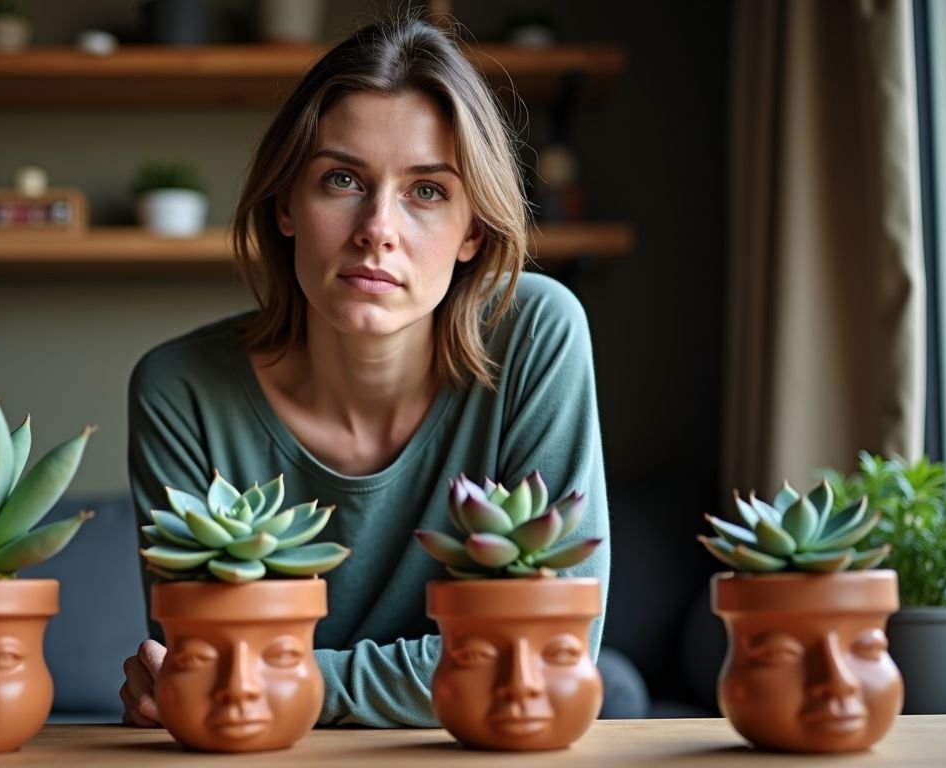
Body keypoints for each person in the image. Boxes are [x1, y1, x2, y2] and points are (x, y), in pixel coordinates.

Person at [120, 15, 610, 728]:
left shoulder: (536, 335)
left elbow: (551, 657)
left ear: (474, 230)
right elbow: (200, 672)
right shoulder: (180, 392)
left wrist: (285, 685)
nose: (377, 228)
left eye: (428, 191)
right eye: (342, 179)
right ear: (286, 203)